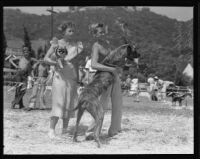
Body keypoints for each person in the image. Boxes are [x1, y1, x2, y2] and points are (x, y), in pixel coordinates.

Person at [44, 21, 83, 139]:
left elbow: (75, 63)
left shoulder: (77, 45)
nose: (72, 33)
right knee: (59, 102)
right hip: (59, 77)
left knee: (69, 102)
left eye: (73, 31)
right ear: (64, 32)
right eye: (69, 31)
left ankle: (65, 130)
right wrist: (55, 62)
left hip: (71, 78)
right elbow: (46, 59)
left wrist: (78, 77)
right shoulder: (57, 44)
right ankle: (51, 130)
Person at [85, 23, 122, 139]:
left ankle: (114, 130)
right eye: (100, 32)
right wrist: (111, 69)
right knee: (101, 105)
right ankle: (92, 132)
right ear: (94, 34)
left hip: (114, 75)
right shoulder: (96, 46)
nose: (103, 33)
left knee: (118, 103)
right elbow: (94, 64)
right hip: (103, 76)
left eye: (103, 31)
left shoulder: (108, 44)